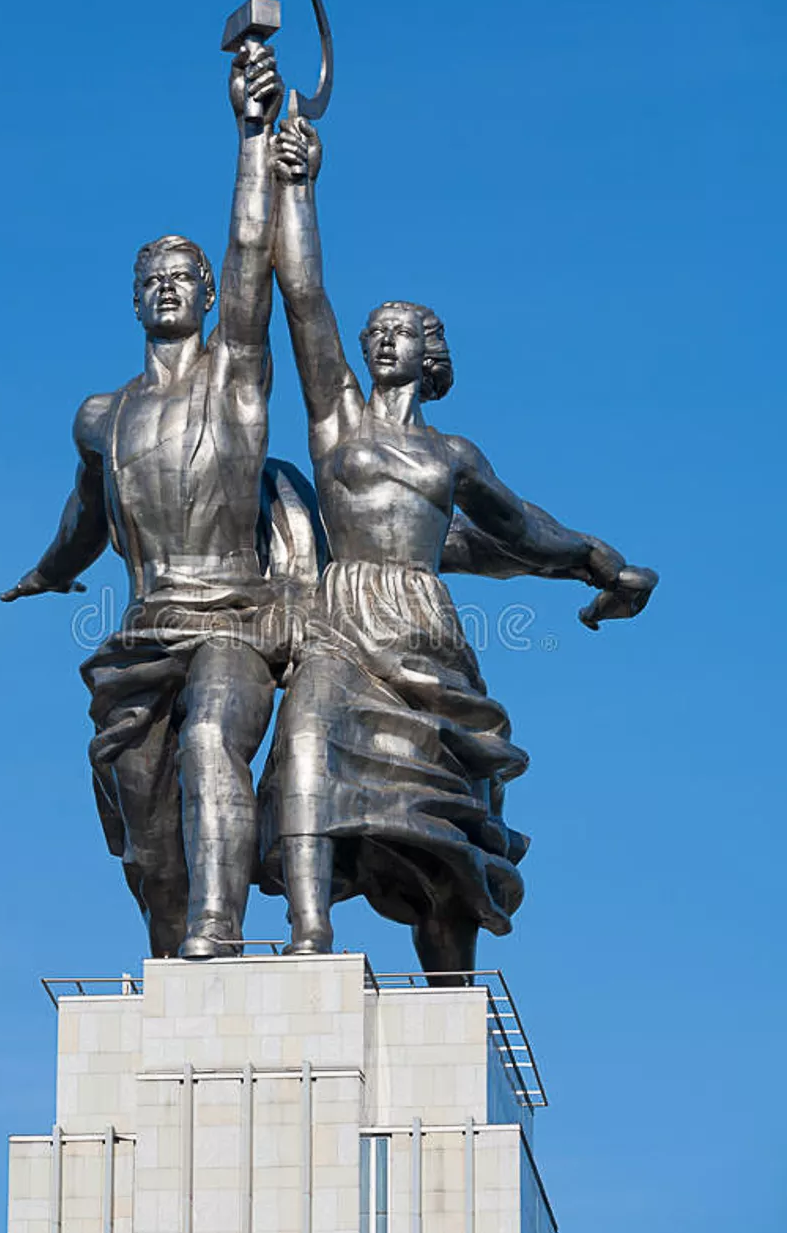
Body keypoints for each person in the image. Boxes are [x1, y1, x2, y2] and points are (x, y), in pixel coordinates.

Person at [260, 117, 656, 977]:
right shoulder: (338, 423)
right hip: (342, 615)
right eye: (375, 329)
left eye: (399, 328)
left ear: (429, 355)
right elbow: (303, 298)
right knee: (304, 733)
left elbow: (520, 530)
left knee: (443, 807)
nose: (379, 337)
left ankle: (450, 972)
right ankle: (307, 936)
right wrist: (299, 187)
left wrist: (600, 564)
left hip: (424, 626)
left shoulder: (452, 455)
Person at [0, 44, 291, 960]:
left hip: (233, 615)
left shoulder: (235, 379)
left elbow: (253, 250)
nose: (169, 286)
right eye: (151, 279)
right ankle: (175, 943)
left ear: (208, 297)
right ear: (135, 301)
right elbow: (86, 516)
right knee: (142, 816)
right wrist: (50, 574)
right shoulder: (102, 415)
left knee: (212, 738)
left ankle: (221, 924)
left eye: (184, 276)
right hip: (141, 628)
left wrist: (250, 136)